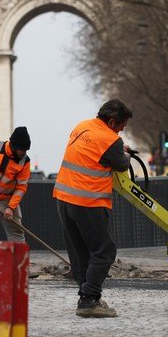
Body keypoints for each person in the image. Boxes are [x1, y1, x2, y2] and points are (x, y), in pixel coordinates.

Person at [54, 99, 133, 318]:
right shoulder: (110, 140)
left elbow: (93, 153)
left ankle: (87, 297)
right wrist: (123, 152)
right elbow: (121, 164)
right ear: (111, 121)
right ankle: (89, 300)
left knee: (80, 252)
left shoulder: (82, 126)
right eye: (121, 126)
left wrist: (117, 148)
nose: (121, 131)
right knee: (104, 252)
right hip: (87, 202)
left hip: (63, 198)